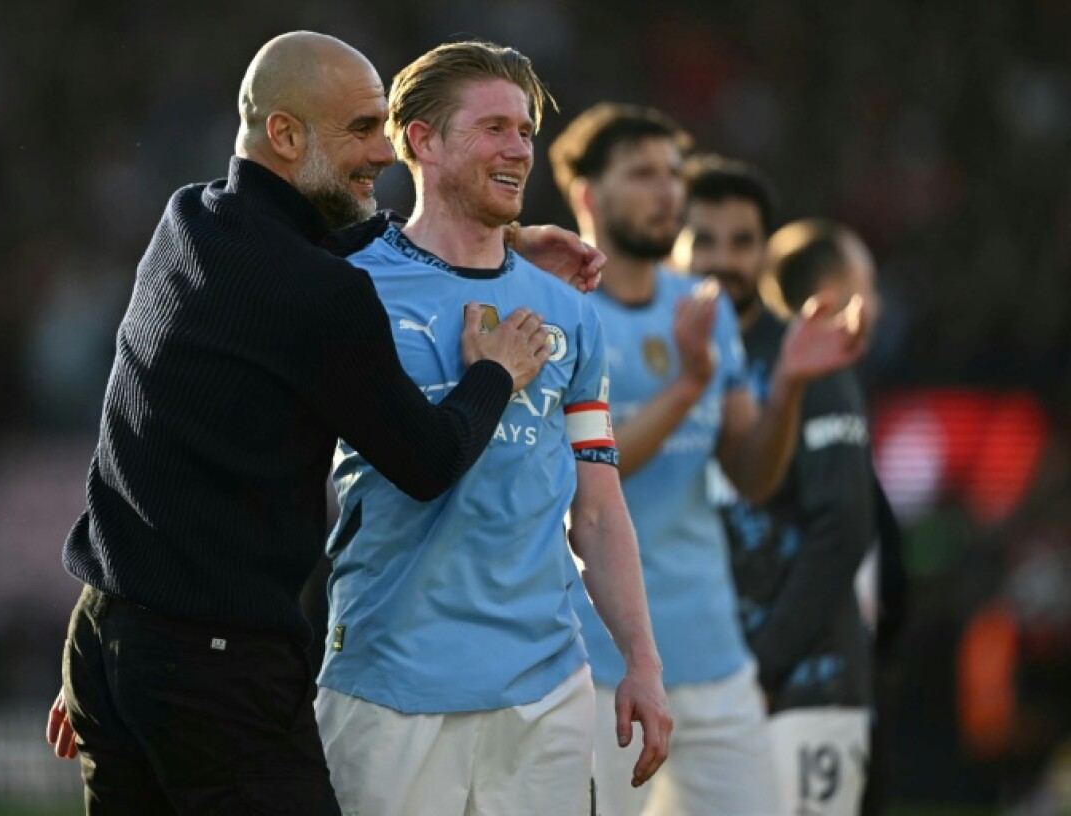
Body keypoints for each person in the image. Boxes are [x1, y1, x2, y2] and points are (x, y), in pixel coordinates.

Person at [44, 31, 606, 814]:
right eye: (361, 129)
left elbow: (326, 233)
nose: (382, 152)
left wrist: (501, 239)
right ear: (285, 134)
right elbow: (428, 459)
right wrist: (494, 373)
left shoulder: (190, 220)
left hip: (107, 637)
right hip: (217, 661)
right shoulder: (323, 296)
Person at [313, 42, 671, 816]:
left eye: (525, 132)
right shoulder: (346, 285)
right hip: (389, 686)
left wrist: (642, 661)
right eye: (495, 128)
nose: (518, 149)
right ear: (423, 141)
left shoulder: (571, 311)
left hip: (544, 694)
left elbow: (600, 506)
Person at [548, 104, 865, 815]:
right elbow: (585, 479)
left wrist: (784, 384)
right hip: (599, 661)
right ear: (588, 196)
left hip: (715, 656)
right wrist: (688, 384)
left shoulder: (704, 306)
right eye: (642, 174)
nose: (667, 192)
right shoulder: (562, 311)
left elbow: (753, 475)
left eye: (673, 174)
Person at [685, 157, 878, 816]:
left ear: (766, 251)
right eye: (704, 239)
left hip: (801, 689)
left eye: (742, 241)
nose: (723, 260)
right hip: (688, 688)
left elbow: (845, 527)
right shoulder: (653, 359)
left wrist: (760, 671)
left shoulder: (810, 358)